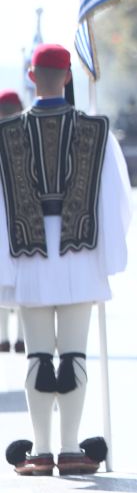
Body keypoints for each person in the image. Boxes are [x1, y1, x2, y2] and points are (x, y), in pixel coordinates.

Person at [0, 44, 130, 475]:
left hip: (30, 255)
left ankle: (39, 450)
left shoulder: (6, 133)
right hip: (81, 252)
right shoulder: (97, 131)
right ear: (69, 76)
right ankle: (72, 448)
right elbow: (115, 201)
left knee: (38, 357)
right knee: (73, 354)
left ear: (32, 77)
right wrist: (110, 254)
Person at [0, 90, 25, 354]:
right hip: (22, 220)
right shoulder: (27, 136)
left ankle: (4, 338)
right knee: (22, 282)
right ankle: (20, 338)